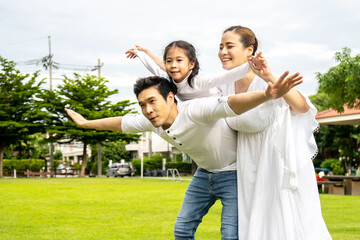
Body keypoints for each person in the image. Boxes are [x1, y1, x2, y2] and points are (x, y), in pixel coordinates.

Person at [65, 74, 302, 240]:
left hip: (232, 173)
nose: (148, 109)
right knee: (182, 230)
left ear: (170, 98)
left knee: (230, 235)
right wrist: (86, 124)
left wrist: (267, 94)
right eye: (142, 105)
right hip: (203, 175)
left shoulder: (196, 110)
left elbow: (231, 104)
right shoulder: (150, 121)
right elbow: (119, 122)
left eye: (152, 101)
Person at [217, 25, 332, 240]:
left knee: (282, 222)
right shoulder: (223, 87)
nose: (223, 52)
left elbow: (302, 108)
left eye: (229, 46)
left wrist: (269, 75)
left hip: (275, 161)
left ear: (249, 50)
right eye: (220, 46)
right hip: (247, 163)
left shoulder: (266, 79)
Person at [125, 40, 267, 102]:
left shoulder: (199, 80)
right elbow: (154, 66)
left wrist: (251, 65)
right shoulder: (168, 77)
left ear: (191, 64)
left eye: (179, 60)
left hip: (219, 109)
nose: (173, 65)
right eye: (169, 61)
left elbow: (227, 76)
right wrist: (140, 53)